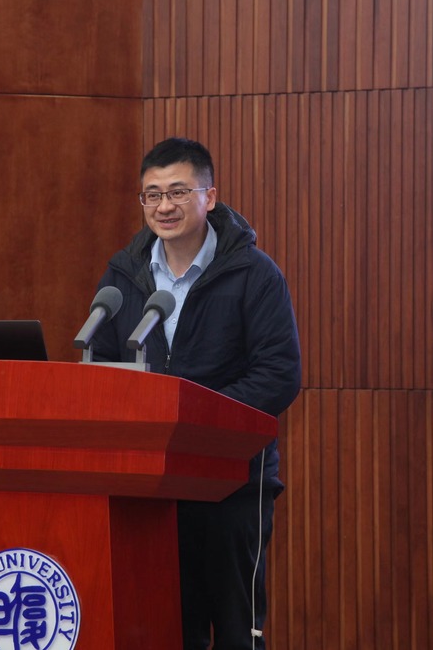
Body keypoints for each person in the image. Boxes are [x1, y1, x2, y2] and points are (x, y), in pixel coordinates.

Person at [89, 137, 301, 649]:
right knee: (164, 630)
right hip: (150, 487)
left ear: (209, 196)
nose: (164, 206)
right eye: (152, 194)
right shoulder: (123, 275)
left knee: (236, 635)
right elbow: (101, 367)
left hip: (232, 485)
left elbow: (278, 374)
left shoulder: (253, 273)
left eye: (179, 192)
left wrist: (194, 423)